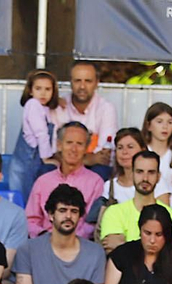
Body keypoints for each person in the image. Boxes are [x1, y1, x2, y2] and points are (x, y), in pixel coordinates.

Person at [14, 185, 107, 284]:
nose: (68, 216)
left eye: (74, 211)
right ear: (51, 215)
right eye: (62, 210)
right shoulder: (28, 249)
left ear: (80, 216)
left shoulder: (96, 252)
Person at [27, 123, 106, 239]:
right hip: (44, 243)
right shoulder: (43, 181)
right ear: (59, 145)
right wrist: (47, 238)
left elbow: (92, 224)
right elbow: (31, 220)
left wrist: (68, 240)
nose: (74, 149)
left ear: (86, 148)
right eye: (69, 143)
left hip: (79, 245)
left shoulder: (96, 183)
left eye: (79, 144)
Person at [99, 152, 172, 251]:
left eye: (151, 172)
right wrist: (155, 248)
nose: (145, 178)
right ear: (132, 174)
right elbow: (114, 254)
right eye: (140, 172)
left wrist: (124, 245)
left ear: (158, 176)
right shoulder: (114, 213)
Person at [11, 70, 62, 199]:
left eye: (48, 89)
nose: (43, 93)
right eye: (38, 88)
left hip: (34, 161)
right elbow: (41, 134)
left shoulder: (46, 109)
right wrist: (46, 158)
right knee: (26, 197)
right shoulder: (33, 105)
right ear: (30, 91)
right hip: (27, 161)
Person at [62, 60, 117, 171]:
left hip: (93, 167)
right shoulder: (60, 106)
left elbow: (105, 151)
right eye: (77, 81)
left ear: (96, 83)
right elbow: (53, 148)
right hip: (63, 164)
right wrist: (87, 159)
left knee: (101, 170)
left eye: (88, 81)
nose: (82, 86)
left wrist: (78, 159)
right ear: (70, 82)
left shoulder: (106, 108)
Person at [142, 103, 172, 210]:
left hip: (167, 210)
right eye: (159, 122)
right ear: (148, 125)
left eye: (170, 122)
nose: (165, 127)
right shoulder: (141, 152)